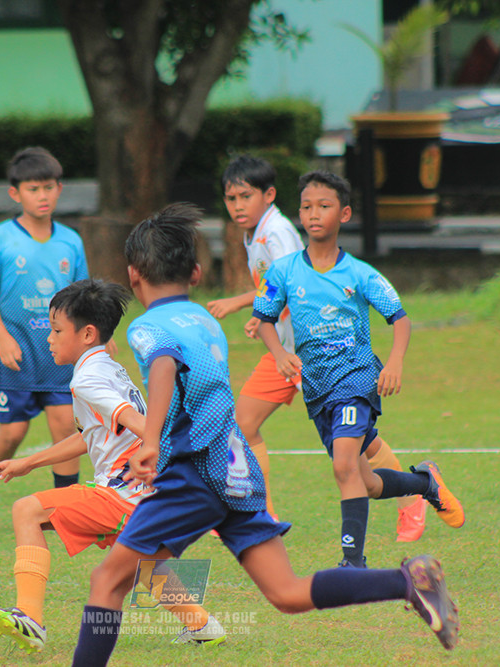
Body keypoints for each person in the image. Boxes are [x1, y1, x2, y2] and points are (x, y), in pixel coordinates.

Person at [69, 203, 460, 666]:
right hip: (237, 469)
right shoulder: (205, 320)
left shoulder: (147, 327)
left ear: (133, 275)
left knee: (106, 581)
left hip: (193, 472)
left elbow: (163, 365)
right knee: (286, 593)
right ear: (196, 273)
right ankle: (407, 581)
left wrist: (150, 440)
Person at [0, 279, 225, 653]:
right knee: (145, 564)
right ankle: (204, 626)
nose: (50, 339)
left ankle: (29, 617)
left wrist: (163, 447)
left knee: (26, 510)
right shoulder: (110, 368)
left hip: (121, 493)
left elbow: (140, 425)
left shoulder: (88, 379)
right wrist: (29, 462)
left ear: (88, 334)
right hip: (145, 495)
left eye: (57, 330)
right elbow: (93, 435)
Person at [207, 155, 427, 541]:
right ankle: (263, 513)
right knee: (351, 442)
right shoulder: (256, 233)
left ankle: (410, 498)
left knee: (255, 427)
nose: (237, 205)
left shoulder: (278, 235)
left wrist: (242, 306)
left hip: (321, 359)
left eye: (245, 196)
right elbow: (275, 290)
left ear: (269, 195)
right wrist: (263, 320)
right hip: (291, 356)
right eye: (231, 198)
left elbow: (296, 281)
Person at [253, 171, 465, 569]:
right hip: (316, 388)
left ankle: (353, 563)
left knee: (343, 465)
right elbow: (264, 318)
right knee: (365, 482)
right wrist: (279, 351)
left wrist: (395, 362)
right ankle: (425, 483)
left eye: (324, 206)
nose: (314, 214)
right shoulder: (282, 272)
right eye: (306, 207)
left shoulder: (360, 273)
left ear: (345, 214)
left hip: (355, 379)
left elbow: (399, 317)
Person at [0, 146, 90, 531]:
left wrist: (98, 334)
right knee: (13, 432)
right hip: (15, 352)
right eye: (34, 188)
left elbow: (82, 292)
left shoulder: (70, 241)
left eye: (49, 187)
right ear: (15, 193)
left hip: (59, 354)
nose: (43, 195)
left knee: (65, 425)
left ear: (60, 188)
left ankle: (64, 508)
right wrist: (1, 336)